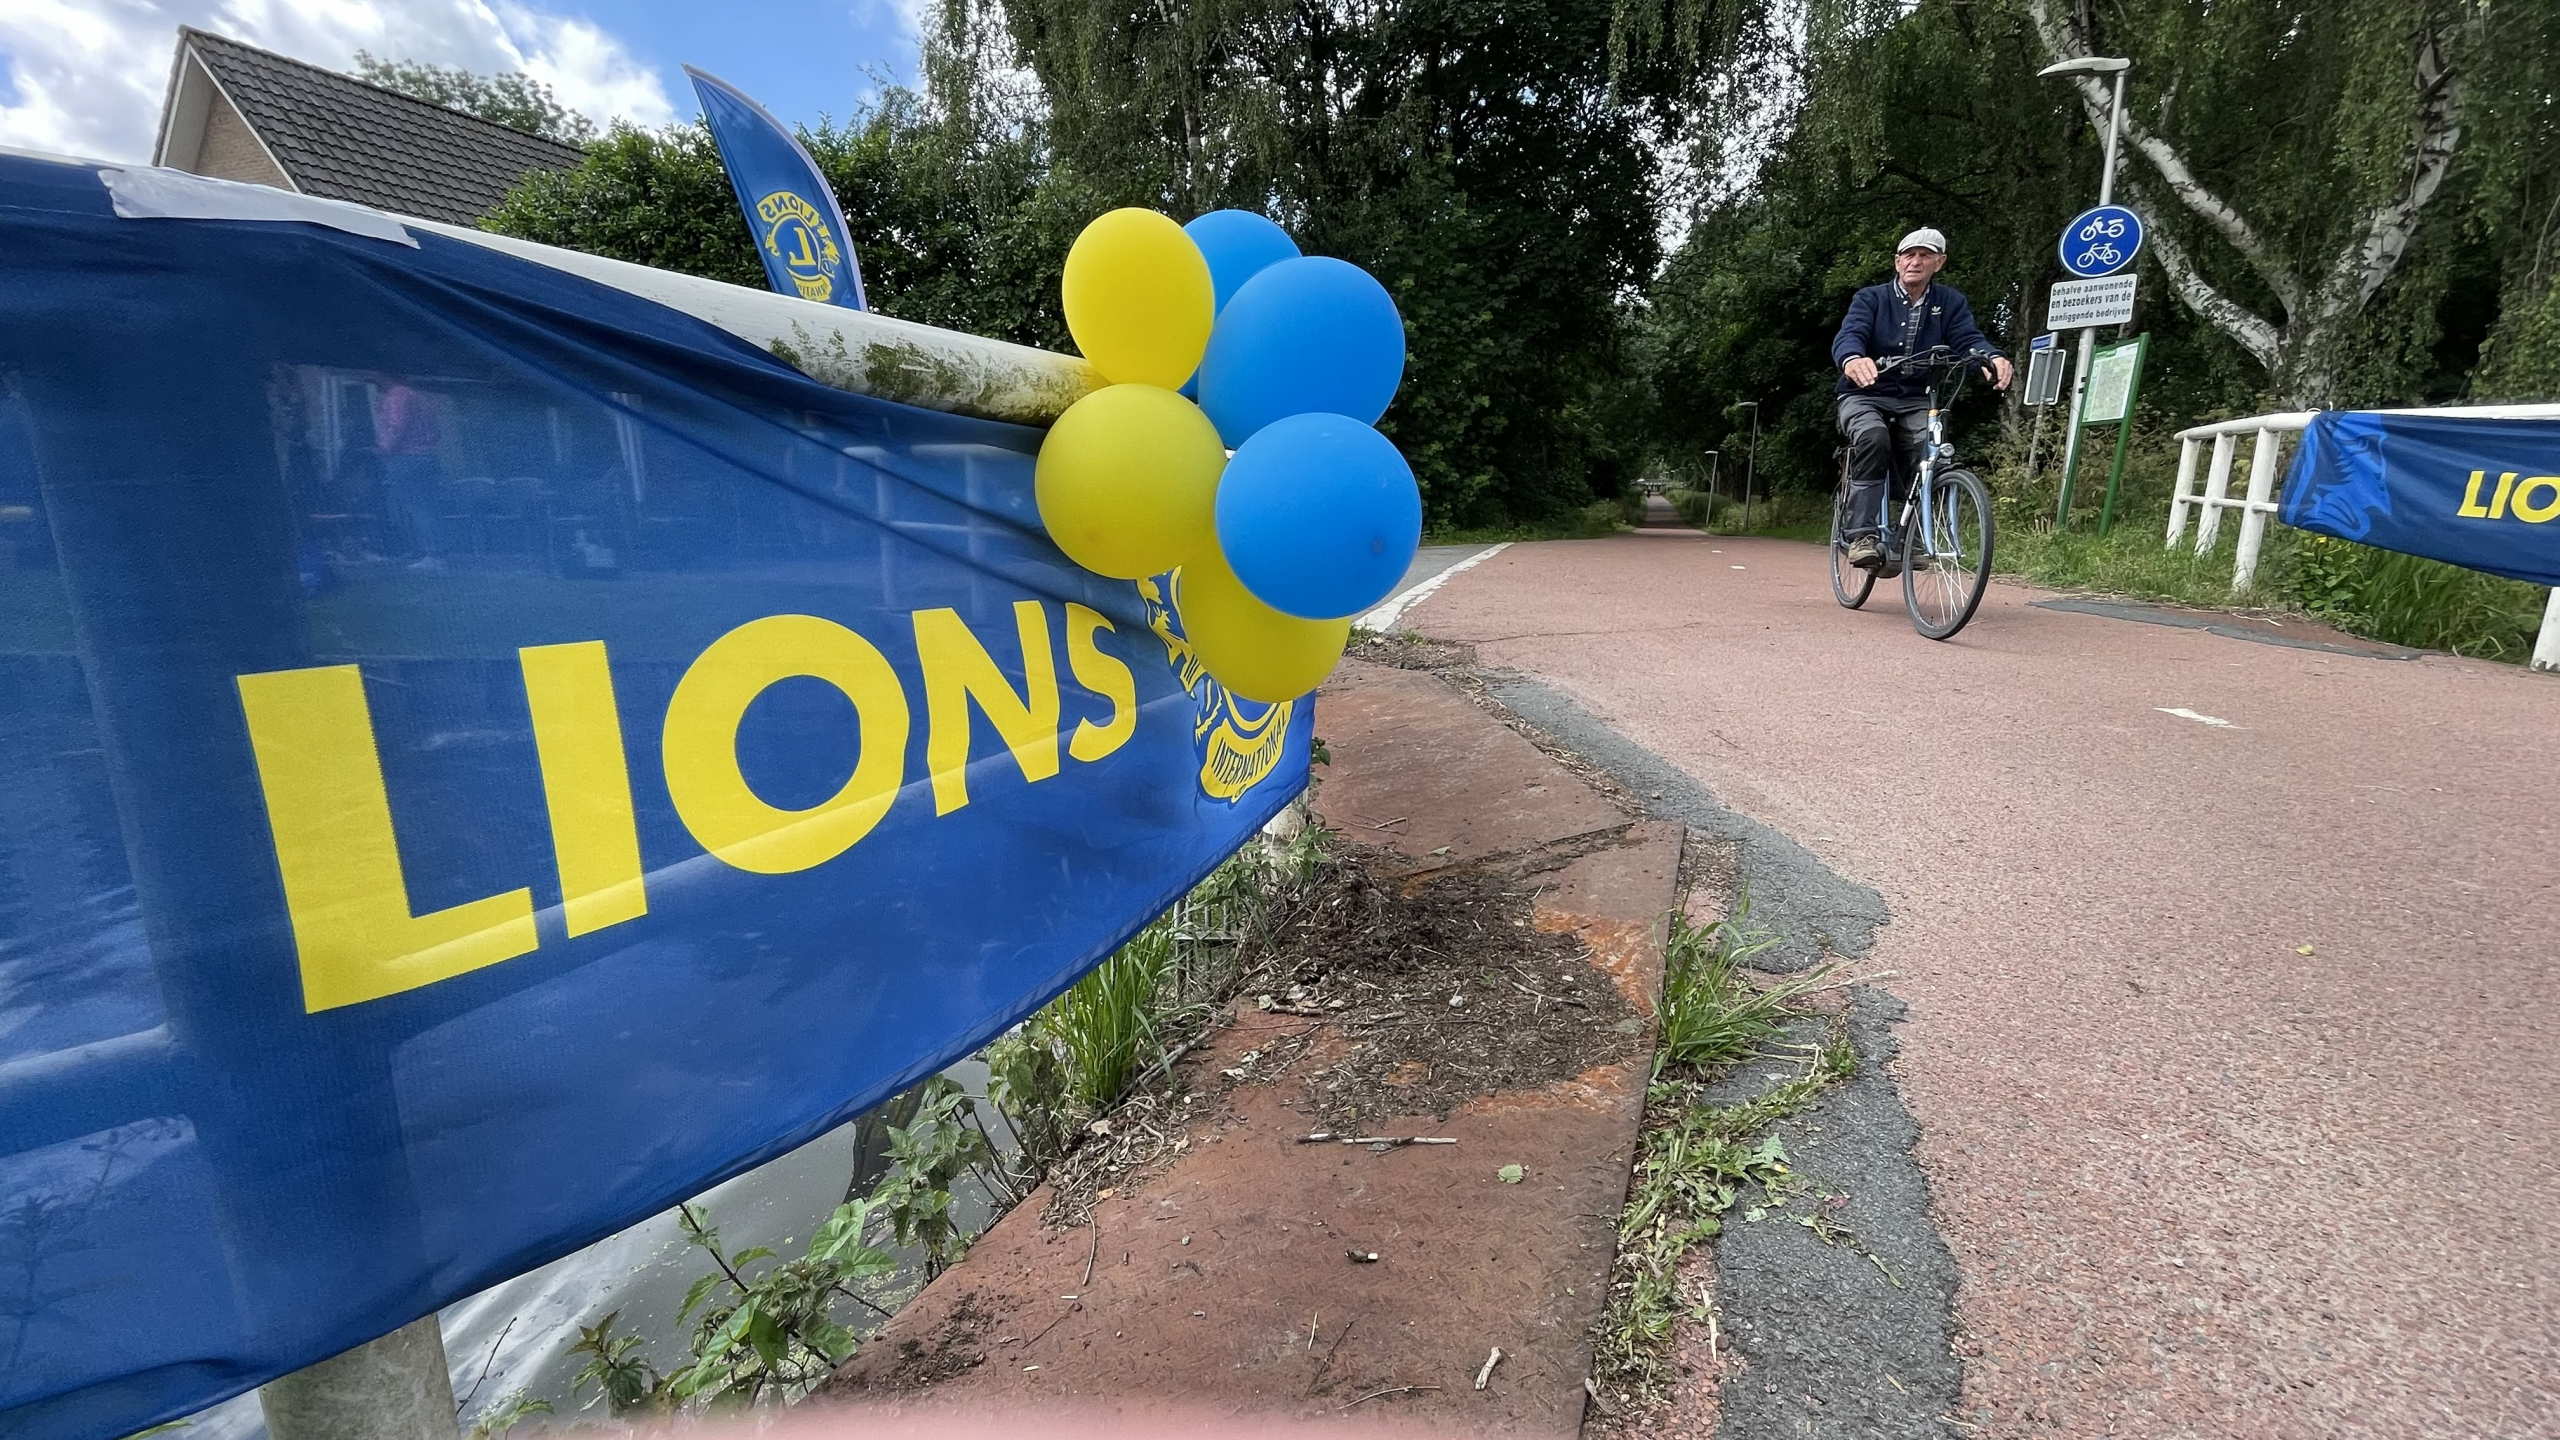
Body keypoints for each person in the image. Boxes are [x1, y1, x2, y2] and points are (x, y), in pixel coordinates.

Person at [1831, 228, 2011, 569]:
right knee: (1873, 438)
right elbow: (1850, 333)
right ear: (1898, 262)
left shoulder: (1950, 302)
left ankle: (1910, 536)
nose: (1916, 262)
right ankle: (1861, 535)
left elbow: (1967, 339)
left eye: (1925, 255)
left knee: (1930, 452)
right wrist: (1853, 358)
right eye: (1909, 255)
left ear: (1939, 262)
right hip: (1864, 394)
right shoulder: (1871, 299)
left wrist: (1991, 357)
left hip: (1917, 398)